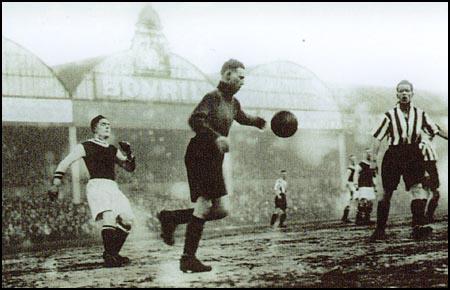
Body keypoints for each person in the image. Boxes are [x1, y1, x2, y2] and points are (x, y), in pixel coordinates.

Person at [156, 59, 266, 273]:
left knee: (221, 210)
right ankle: (188, 258)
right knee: (204, 205)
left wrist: (259, 121)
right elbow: (195, 120)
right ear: (227, 75)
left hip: (214, 157)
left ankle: (171, 217)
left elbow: (242, 118)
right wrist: (216, 137)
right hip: (200, 153)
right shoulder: (212, 97)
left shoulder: (233, 103)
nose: (243, 81)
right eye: (240, 77)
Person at [48, 115, 136, 267]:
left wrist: (130, 154)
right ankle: (110, 256)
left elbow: (129, 168)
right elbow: (65, 162)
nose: (107, 126)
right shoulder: (86, 146)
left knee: (127, 221)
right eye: (103, 124)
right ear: (95, 128)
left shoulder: (112, 149)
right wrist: (56, 183)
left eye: (109, 124)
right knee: (109, 218)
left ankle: (112, 253)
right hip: (97, 185)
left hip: (112, 186)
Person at [369, 80, 447, 241]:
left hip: (413, 153)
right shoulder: (389, 115)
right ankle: (380, 230)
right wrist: (373, 160)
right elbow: (377, 138)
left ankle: (418, 226)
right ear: (397, 94)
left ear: (412, 94)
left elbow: (436, 130)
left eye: (407, 91)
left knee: (417, 188)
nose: (404, 94)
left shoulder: (420, 113)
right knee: (386, 192)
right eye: (401, 91)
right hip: (394, 154)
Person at [419, 127, 447, 223]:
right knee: (430, 192)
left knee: (430, 192)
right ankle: (425, 216)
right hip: (427, 165)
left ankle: (426, 216)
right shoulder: (423, 145)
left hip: (429, 164)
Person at [353, 149, 377, 225]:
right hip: (363, 185)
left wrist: (375, 186)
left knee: (370, 202)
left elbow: (374, 176)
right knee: (363, 202)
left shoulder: (372, 165)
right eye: (367, 153)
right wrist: (355, 183)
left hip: (370, 185)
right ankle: (359, 219)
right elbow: (356, 174)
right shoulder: (361, 164)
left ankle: (367, 218)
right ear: (364, 154)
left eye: (370, 153)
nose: (369, 154)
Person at [341, 155, 357, 223]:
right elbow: (346, 179)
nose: (353, 161)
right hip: (351, 184)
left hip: (354, 184)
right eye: (352, 159)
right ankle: (345, 217)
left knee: (353, 200)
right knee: (349, 200)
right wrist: (349, 188)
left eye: (354, 159)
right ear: (350, 160)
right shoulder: (350, 169)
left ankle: (346, 216)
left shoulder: (356, 167)